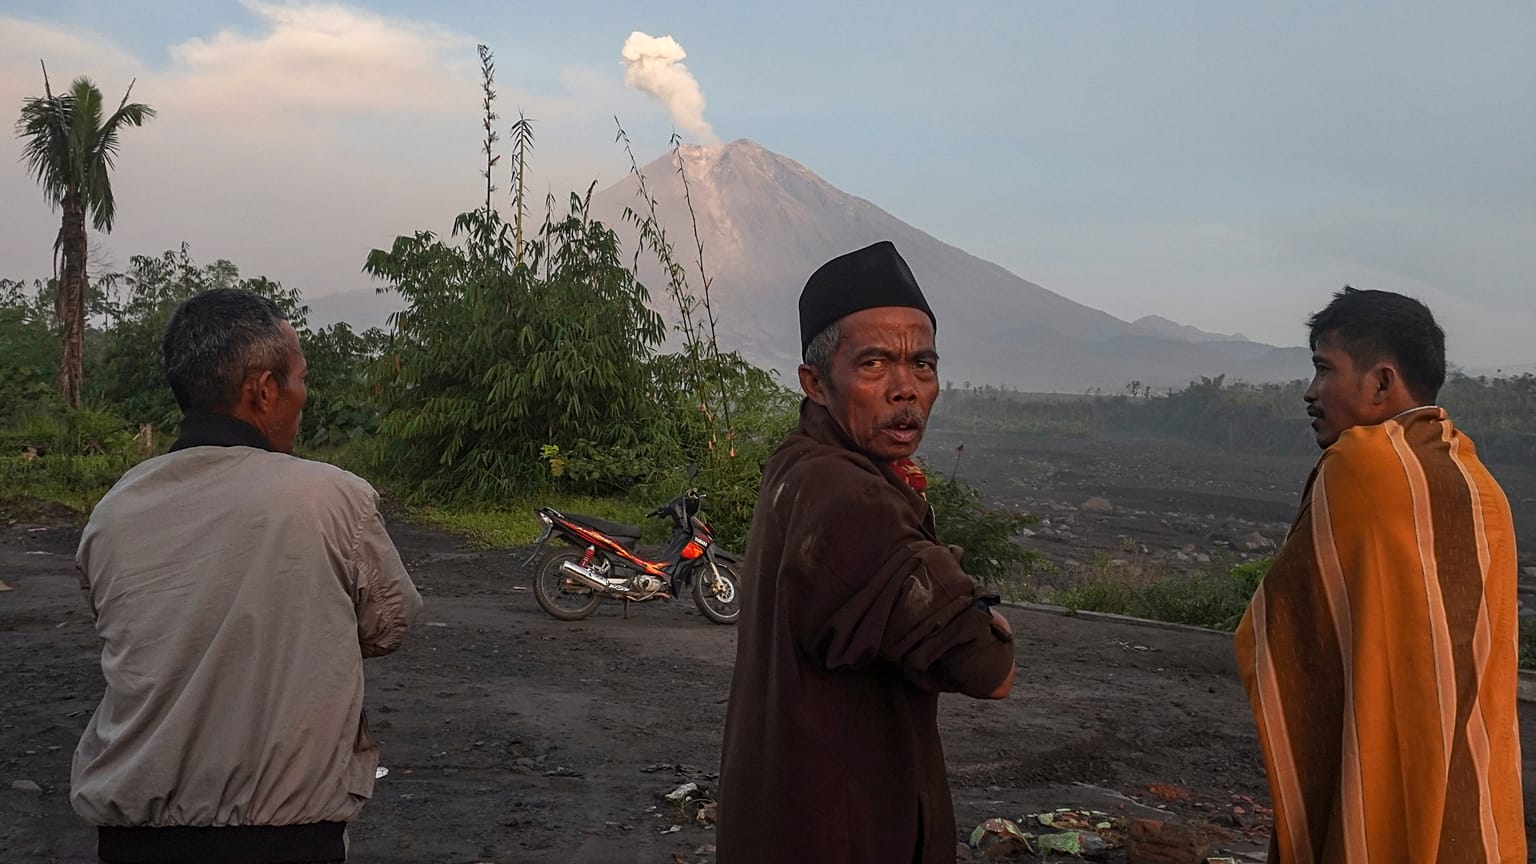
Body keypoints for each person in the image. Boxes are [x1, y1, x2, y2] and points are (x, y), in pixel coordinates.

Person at [71, 289, 422, 864]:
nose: (304, 398)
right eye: (300, 380)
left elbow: (127, 633)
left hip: (132, 832)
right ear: (263, 390)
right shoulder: (332, 498)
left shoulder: (115, 509)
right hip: (285, 831)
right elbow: (389, 626)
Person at [718, 241, 1017, 863]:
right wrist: (982, 617)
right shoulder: (851, 498)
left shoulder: (797, 464)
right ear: (816, 382)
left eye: (923, 365)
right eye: (875, 364)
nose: (905, 389)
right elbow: (990, 671)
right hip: (844, 831)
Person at [1236, 287, 1525, 863]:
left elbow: (1288, 627)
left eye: (1324, 370)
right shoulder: (1484, 488)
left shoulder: (1360, 464)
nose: (1311, 392)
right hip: (1469, 789)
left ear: (1381, 383)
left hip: (1381, 775)